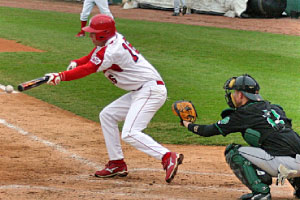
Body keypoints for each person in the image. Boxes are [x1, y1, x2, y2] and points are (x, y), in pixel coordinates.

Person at [45, 14, 184, 183]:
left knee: (130, 132)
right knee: (107, 115)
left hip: (150, 91)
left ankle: (167, 156)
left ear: (104, 33)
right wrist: (77, 61)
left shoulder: (112, 50)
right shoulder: (111, 41)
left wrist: (61, 76)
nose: (91, 36)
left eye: (94, 33)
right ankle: (117, 163)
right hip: (140, 90)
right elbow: (92, 57)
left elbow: (89, 68)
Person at [181, 74, 300, 200]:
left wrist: (187, 124)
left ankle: (261, 193)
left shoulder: (243, 114)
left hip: (283, 165)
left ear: (241, 95)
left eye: (234, 92)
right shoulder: (275, 108)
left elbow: (208, 131)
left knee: (233, 152)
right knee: (282, 146)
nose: (232, 95)